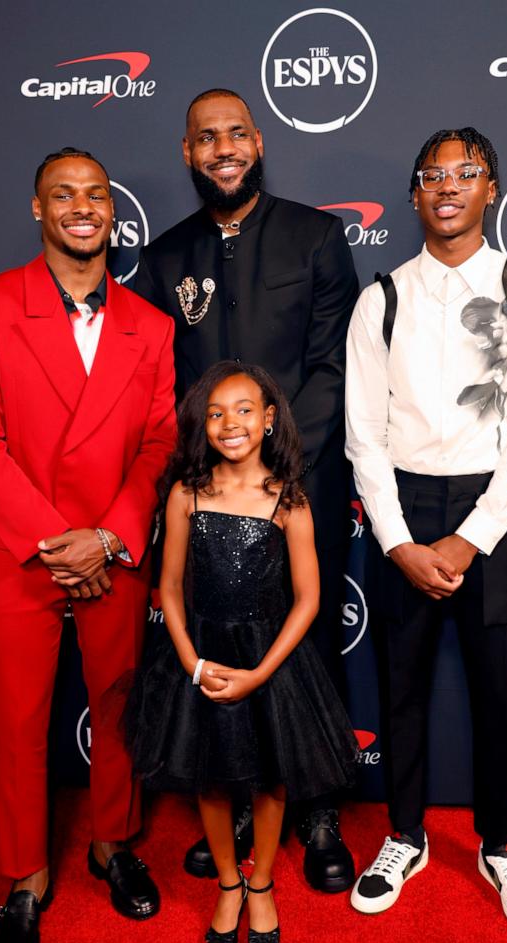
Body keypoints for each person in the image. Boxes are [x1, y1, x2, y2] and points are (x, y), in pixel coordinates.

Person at [0, 147, 176, 943]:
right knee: (15, 722)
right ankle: (25, 877)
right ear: (38, 210)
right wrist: (57, 543)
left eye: (95, 196)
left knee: (118, 711)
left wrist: (109, 536)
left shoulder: (149, 325)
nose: (82, 207)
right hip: (22, 551)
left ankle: (113, 844)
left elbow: (159, 440)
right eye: (63, 195)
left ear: (110, 213)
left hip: (113, 551)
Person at [134, 88, 359, 892]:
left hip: (298, 489)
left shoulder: (316, 237)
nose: (221, 148)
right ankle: (232, 803)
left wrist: (278, 472)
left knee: (307, 640)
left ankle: (319, 806)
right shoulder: (162, 261)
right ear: (186, 152)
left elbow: (336, 368)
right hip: (204, 499)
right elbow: (159, 389)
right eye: (204, 138)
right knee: (218, 640)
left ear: (257, 142)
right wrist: (211, 479)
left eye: (234, 134)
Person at [345, 128, 507, 937]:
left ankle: (499, 845)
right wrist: (400, 541)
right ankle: (403, 836)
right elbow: (363, 432)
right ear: (412, 195)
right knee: (398, 688)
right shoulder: (383, 297)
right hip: (402, 507)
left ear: (490, 188)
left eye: (464, 173)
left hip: (495, 516)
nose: (446, 186)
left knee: (499, 693)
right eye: (431, 175)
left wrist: (470, 538)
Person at [125, 361, 358, 943]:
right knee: (210, 776)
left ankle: (261, 885)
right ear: (202, 425)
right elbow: (169, 587)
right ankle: (228, 885)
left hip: (268, 661)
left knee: (271, 778)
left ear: (270, 418)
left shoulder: (290, 499)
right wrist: (191, 662)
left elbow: (308, 599)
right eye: (216, 413)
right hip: (202, 655)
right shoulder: (186, 494)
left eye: (245, 410)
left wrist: (261, 672)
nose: (230, 423)